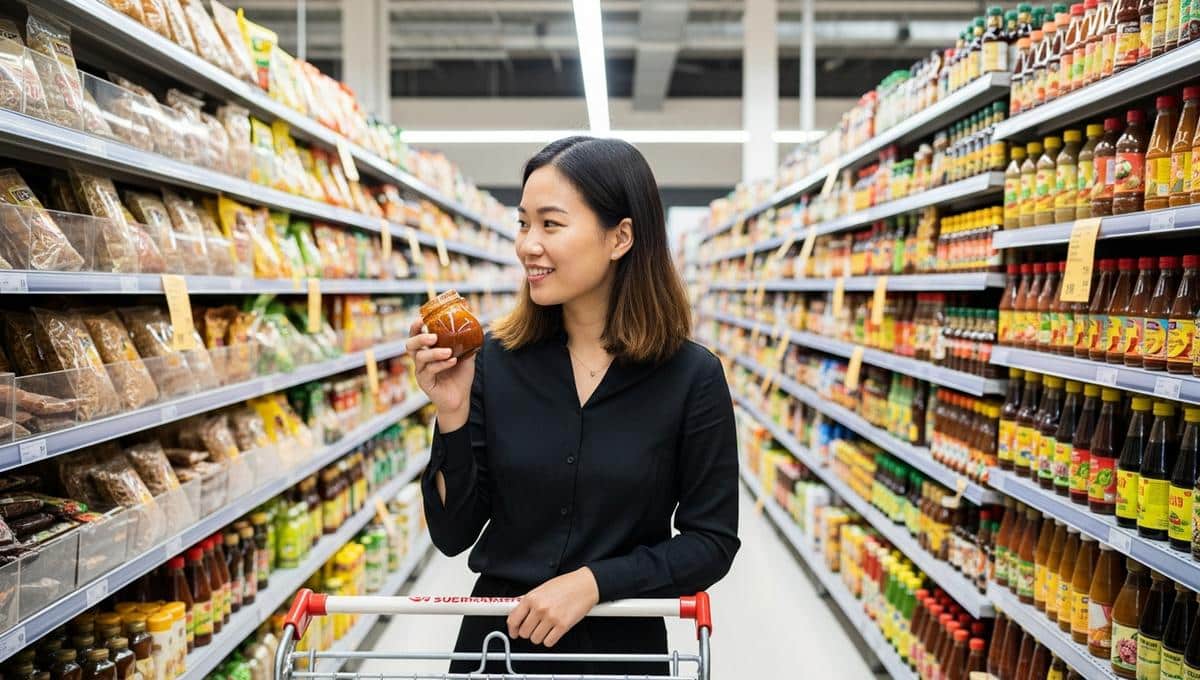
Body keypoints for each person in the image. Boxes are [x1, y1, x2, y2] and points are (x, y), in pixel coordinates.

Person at [407, 136, 740, 676]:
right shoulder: (494, 362)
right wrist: (451, 413)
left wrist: (594, 582)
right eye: (523, 224)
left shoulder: (691, 377)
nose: (527, 245)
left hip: (621, 652)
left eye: (550, 224)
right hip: (500, 648)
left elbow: (711, 542)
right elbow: (453, 534)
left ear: (620, 237)